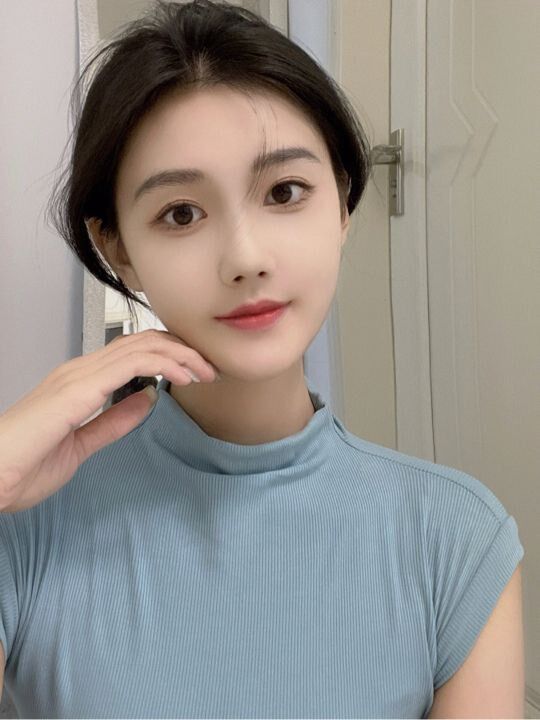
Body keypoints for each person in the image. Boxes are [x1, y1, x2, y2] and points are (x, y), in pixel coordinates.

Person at [0, 1, 524, 718]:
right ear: (117, 248)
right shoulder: (27, 525)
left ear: (342, 204)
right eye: (181, 213)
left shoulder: (458, 539)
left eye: (285, 192)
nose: (245, 258)